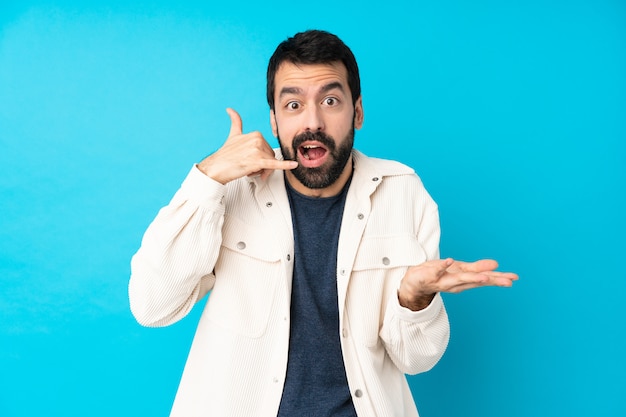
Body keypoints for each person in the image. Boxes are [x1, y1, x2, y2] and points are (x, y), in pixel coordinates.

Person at [129, 29, 518, 417]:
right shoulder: (230, 191)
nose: (312, 122)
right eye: (293, 104)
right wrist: (208, 178)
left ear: (358, 112)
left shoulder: (403, 192)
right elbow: (152, 306)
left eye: (330, 100)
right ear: (275, 121)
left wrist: (414, 300)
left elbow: (416, 359)